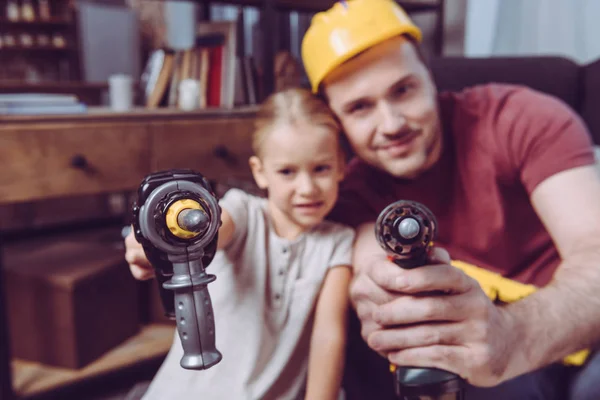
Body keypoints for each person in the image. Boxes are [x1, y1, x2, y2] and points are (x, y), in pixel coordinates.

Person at [300, 0, 600, 399]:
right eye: (360, 108)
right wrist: (381, 297)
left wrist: (513, 336)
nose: (392, 125)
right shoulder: (348, 194)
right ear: (335, 123)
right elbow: (371, 271)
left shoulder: (523, 118)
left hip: (574, 336)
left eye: (403, 90)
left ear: (430, 76)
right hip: (471, 369)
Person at [124, 87, 355, 400]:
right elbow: (219, 227)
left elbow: (328, 336)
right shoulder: (243, 210)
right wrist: (167, 243)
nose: (307, 187)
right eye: (287, 171)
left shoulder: (339, 242)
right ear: (260, 172)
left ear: (341, 166)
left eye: (321, 169)